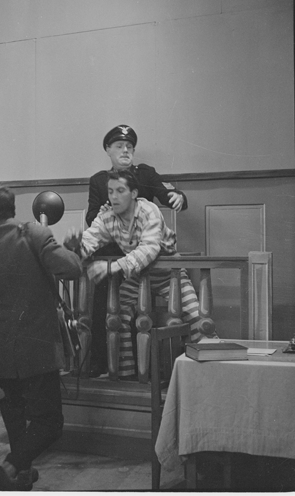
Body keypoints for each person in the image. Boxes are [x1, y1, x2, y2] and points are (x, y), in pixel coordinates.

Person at [0, 184, 82, 491]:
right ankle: (11, 467)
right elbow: (71, 268)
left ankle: (22, 474)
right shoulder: (34, 233)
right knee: (49, 422)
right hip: (36, 345)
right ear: (13, 209)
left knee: (13, 404)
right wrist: (71, 248)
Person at [65, 169, 217, 380]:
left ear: (134, 193)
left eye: (120, 191)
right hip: (137, 276)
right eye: (110, 191)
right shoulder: (107, 217)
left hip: (169, 275)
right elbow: (90, 240)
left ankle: (215, 372)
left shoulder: (148, 210)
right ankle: (126, 375)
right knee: (116, 318)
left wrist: (113, 267)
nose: (114, 197)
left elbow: (149, 249)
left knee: (198, 319)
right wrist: (76, 246)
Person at [86, 124, 188, 377]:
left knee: (145, 315)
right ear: (108, 149)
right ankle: (108, 365)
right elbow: (92, 220)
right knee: (106, 309)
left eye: (129, 147)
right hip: (113, 253)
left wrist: (179, 196)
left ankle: (145, 370)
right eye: (119, 146)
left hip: (147, 256)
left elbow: (166, 194)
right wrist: (106, 212)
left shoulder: (145, 175)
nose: (125, 150)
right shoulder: (98, 180)